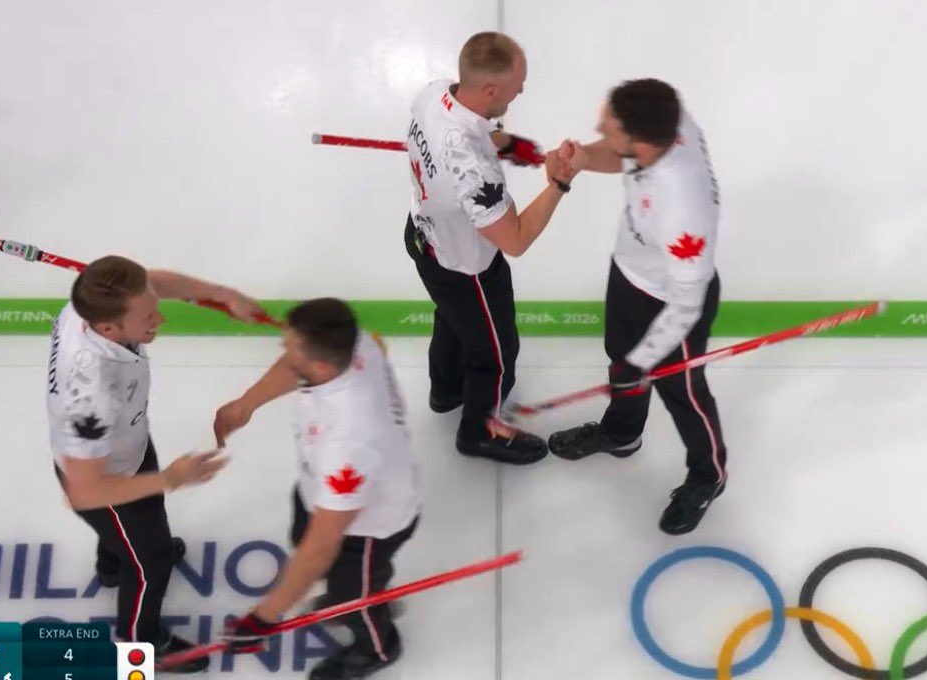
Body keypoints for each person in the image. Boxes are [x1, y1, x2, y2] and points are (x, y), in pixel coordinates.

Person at [47, 254, 262, 670]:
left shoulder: (89, 306)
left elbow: (153, 282)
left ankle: (113, 563)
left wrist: (221, 295)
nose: (160, 319)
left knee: (141, 533)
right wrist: (171, 478)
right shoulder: (91, 397)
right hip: (104, 480)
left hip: (124, 444)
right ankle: (140, 643)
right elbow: (85, 491)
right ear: (109, 329)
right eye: (147, 315)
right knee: (152, 561)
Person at [546, 79, 729, 536]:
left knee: (685, 396)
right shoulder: (669, 121)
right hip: (632, 273)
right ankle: (623, 433)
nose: (597, 128)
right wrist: (585, 158)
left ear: (640, 142)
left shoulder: (683, 210)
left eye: (607, 128)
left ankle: (709, 476)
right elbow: (620, 152)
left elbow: (687, 305)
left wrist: (644, 360)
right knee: (619, 356)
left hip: (674, 303)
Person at [404, 30, 587, 464]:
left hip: (423, 238)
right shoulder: (472, 170)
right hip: (468, 267)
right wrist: (559, 182)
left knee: (450, 318)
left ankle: (446, 390)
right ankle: (479, 430)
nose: (522, 89)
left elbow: (464, 134)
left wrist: (506, 144)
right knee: (495, 353)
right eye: (516, 84)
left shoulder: (432, 95)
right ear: (490, 89)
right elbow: (516, 239)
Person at [213, 298, 421, 680]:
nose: (282, 350)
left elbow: (323, 543)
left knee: (350, 596)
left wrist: (264, 617)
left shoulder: (349, 440)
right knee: (315, 550)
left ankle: (377, 646)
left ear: (321, 367)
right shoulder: (352, 343)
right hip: (320, 487)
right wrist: (247, 403)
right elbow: (298, 367)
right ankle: (362, 591)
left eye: (290, 350)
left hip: (369, 526)